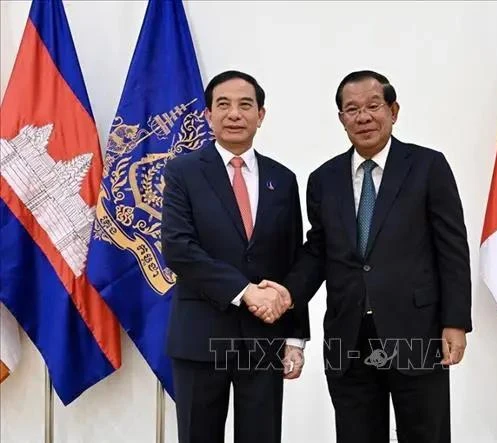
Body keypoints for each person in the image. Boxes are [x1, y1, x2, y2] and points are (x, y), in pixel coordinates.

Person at [256, 70, 472, 443]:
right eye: (352, 109)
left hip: (416, 332)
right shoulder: (324, 179)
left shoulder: (427, 167)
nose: (363, 116)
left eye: (374, 106)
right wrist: (287, 294)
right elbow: (319, 250)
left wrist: (455, 322)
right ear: (341, 119)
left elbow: (452, 250)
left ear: (394, 110)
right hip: (349, 335)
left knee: (426, 434)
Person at [161, 70, 309, 443]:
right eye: (223, 105)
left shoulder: (283, 178)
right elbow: (179, 249)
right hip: (200, 338)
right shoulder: (182, 172)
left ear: (261, 115)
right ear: (208, 115)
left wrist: (295, 338)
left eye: (246, 105)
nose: (234, 114)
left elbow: (293, 259)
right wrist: (245, 292)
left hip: (264, 340)